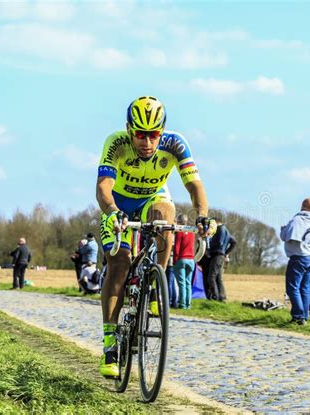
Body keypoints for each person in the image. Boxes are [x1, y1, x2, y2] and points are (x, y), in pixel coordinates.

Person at [96, 96, 216, 378]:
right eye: (140, 134)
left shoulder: (175, 144)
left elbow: (194, 185)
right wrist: (112, 211)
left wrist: (202, 216)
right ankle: (110, 344)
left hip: (153, 198)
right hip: (119, 204)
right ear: (129, 129)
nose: (146, 142)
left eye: (153, 135)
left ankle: (155, 284)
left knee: (165, 215)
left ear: (162, 132)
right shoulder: (116, 143)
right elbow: (103, 187)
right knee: (119, 265)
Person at [280, 198, 310, 325]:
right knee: (305, 288)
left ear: (302, 206)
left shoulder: (297, 219)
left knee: (292, 288)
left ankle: (298, 316)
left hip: (298, 257)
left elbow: (285, 236)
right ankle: (305, 316)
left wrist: (283, 229)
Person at [207, 217, 237, 301]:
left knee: (211, 278)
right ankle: (222, 297)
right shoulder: (226, 231)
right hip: (221, 256)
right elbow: (234, 242)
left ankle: (215, 297)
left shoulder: (219, 230)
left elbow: (219, 242)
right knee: (219, 278)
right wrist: (226, 252)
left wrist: (209, 250)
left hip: (217, 255)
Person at [173, 213, 195, 309]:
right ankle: (188, 304)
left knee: (181, 284)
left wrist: (175, 261)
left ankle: (182, 304)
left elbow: (177, 248)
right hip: (191, 260)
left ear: (179, 222)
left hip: (181, 259)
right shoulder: (191, 231)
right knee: (188, 283)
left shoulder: (180, 231)